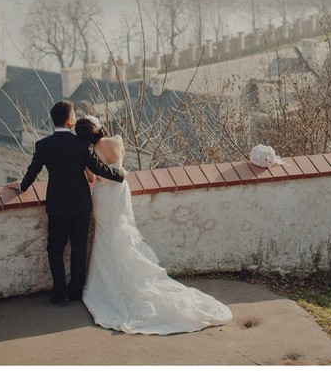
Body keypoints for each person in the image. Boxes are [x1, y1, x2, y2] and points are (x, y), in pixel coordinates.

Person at [74, 115, 232, 334]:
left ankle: (111, 281)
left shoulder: (88, 152)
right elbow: (120, 165)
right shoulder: (117, 140)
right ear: (99, 127)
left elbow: (92, 179)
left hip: (102, 196)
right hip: (119, 193)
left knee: (105, 234)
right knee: (123, 230)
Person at [8, 100, 124, 305]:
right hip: (80, 203)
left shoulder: (43, 145)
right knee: (79, 248)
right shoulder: (82, 145)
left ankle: (60, 293)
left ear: (55, 120)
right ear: (70, 121)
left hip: (57, 204)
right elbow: (97, 169)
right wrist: (120, 175)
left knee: (55, 248)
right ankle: (76, 292)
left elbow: (33, 171)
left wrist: (22, 187)